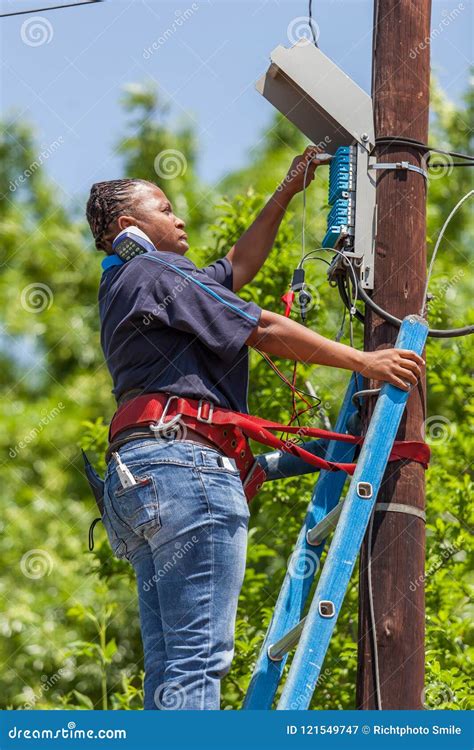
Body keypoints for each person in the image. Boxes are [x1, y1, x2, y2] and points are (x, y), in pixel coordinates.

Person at [86, 146, 423, 710]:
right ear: (129, 228)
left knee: (171, 663)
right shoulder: (155, 271)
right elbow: (261, 325)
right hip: (184, 469)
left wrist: (287, 191)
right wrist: (366, 362)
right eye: (164, 208)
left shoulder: (130, 283)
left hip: (138, 483)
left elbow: (236, 270)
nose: (179, 217)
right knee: (199, 658)